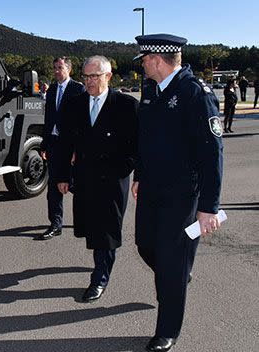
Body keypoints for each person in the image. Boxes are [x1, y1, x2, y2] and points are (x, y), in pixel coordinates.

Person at [133, 34, 223, 352]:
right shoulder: (151, 89)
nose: (142, 65)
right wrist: (139, 176)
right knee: (145, 245)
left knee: (171, 263)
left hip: (183, 195)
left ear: (157, 60)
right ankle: (178, 275)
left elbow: (213, 153)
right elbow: (145, 138)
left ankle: (167, 329)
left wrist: (209, 206)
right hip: (152, 190)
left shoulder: (195, 93)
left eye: (144, 60)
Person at [55, 55, 138, 302]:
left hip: (113, 181)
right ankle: (100, 265)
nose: (90, 82)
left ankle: (100, 277)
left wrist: (124, 171)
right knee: (92, 227)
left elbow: (136, 147)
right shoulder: (73, 105)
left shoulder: (126, 106)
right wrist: (62, 175)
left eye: (95, 76)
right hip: (85, 180)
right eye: (86, 76)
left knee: (107, 231)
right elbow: (63, 145)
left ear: (108, 76)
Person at [36, 57, 85, 240]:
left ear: (69, 70)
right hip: (55, 144)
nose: (57, 71)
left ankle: (85, 218)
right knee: (53, 187)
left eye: (60, 68)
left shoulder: (78, 89)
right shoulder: (52, 90)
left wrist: (77, 149)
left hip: (71, 147)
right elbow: (48, 119)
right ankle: (55, 224)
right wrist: (44, 144)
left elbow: (82, 122)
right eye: (55, 67)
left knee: (75, 186)